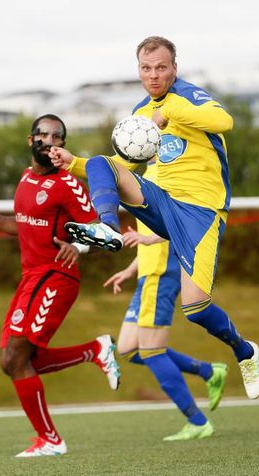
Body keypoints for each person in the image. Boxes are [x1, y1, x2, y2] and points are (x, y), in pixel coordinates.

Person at [49, 36, 259, 420]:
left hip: (200, 212)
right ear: (138, 71)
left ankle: (245, 352)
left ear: (174, 68)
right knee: (103, 162)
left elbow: (224, 121)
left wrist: (171, 114)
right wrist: (73, 164)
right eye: (146, 69)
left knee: (196, 308)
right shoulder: (140, 111)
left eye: (161, 67)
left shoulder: (188, 96)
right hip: (162, 201)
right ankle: (107, 227)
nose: (154, 75)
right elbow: (124, 165)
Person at [0, 114, 120, 458]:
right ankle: (95, 350)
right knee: (10, 361)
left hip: (57, 276)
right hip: (32, 276)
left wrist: (79, 246)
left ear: (63, 144)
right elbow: (23, 225)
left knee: (16, 356)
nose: (50, 141)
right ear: (31, 141)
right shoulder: (26, 178)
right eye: (43, 135)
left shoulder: (68, 183)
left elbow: (106, 232)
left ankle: (51, 440)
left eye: (57, 137)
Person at [103, 159, 228, 441]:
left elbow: (184, 221)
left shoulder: (169, 172)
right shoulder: (145, 173)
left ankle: (197, 421)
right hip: (147, 273)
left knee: (151, 351)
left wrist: (150, 242)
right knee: (128, 347)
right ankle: (209, 372)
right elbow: (149, 231)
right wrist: (130, 269)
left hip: (161, 273)